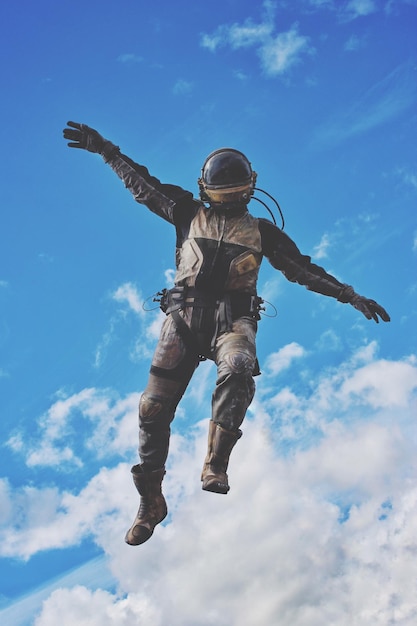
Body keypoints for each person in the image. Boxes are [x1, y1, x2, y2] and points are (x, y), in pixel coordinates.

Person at [63, 121, 390, 546]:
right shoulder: (185, 212)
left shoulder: (261, 233)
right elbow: (143, 185)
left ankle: (215, 462)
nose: (229, 199)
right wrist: (106, 150)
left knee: (239, 365)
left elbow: (302, 269)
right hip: (183, 318)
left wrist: (348, 294)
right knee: (151, 409)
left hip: (233, 322)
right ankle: (150, 501)